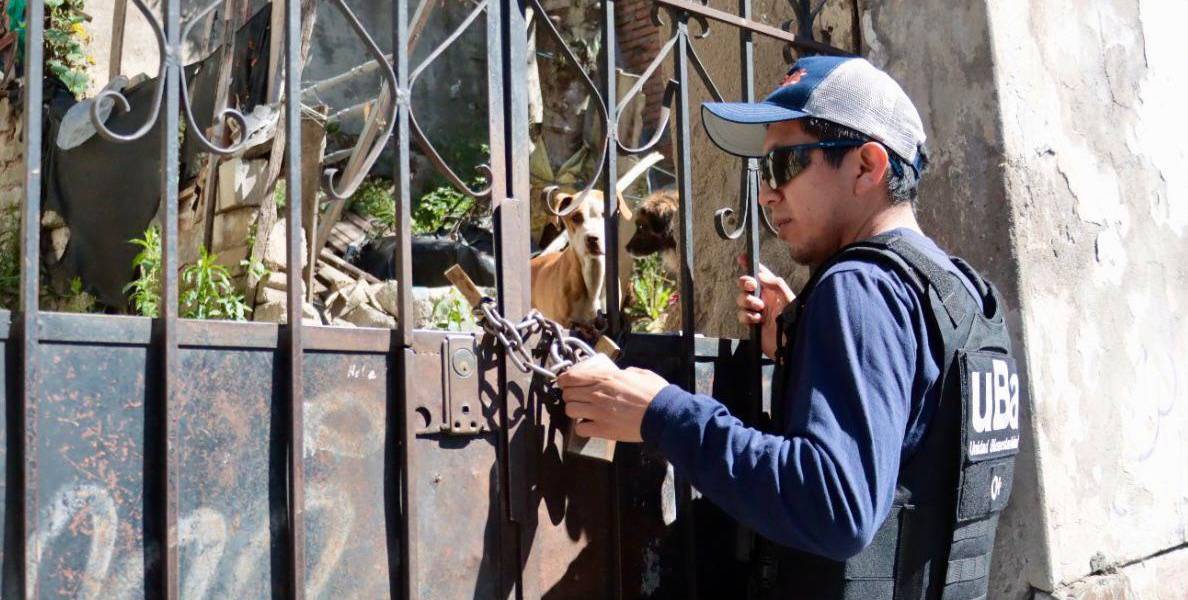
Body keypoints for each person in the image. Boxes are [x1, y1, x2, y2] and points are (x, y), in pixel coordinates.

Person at [557, 55, 1022, 599]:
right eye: (762, 172)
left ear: (867, 166)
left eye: (784, 165)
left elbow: (836, 506)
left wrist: (662, 413)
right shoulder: (961, 294)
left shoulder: (859, 289)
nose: (765, 194)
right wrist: (804, 346)